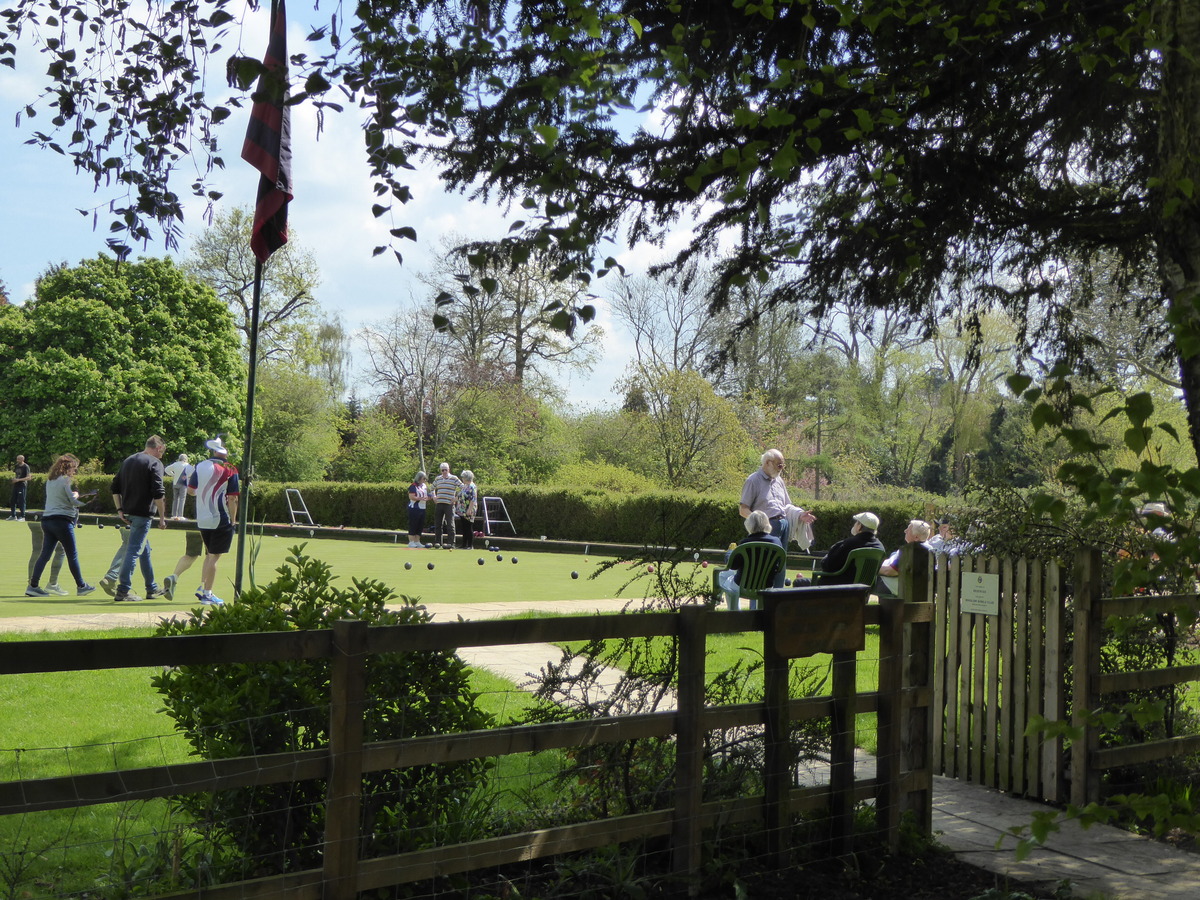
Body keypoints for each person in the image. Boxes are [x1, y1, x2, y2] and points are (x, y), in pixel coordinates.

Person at [25, 454, 96, 596]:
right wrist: (81, 499)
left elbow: (61, 498)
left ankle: (33, 586)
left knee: (45, 555)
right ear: (67, 468)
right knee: (72, 555)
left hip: (47, 521)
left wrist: (73, 496)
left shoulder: (50, 480)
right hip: (62, 522)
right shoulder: (66, 480)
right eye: (73, 469)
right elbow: (73, 502)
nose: (74, 472)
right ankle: (81, 586)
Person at [110, 435, 169, 602]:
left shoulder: (128, 460)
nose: (161, 456)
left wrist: (120, 509)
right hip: (143, 514)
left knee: (144, 550)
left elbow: (114, 487)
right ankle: (123, 590)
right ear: (158, 448)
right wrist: (162, 518)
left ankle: (151, 588)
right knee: (134, 550)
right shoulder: (155, 463)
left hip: (128, 512)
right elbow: (158, 492)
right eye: (162, 452)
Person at [188, 437, 239, 605]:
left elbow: (190, 491)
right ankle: (208, 594)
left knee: (209, 554)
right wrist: (233, 520)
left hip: (202, 518)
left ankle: (202, 588)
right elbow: (232, 499)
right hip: (220, 518)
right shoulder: (229, 468)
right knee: (214, 557)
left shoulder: (200, 465)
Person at [739, 449, 815, 547]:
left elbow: (787, 506)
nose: (781, 469)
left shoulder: (779, 480)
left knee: (781, 557)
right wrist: (760, 523)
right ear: (767, 463)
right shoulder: (753, 480)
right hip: (765, 528)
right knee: (766, 559)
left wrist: (799, 514)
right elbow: (743, 510)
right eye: (779, 465)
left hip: (784, 525)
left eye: (783, 465)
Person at [797, 511, 885, 586]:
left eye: (856, 522)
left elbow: (828, 566)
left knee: (799, 582)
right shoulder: (880, 548)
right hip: (863, 591)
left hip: (837, 588)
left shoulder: (848, 544)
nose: (854, 525)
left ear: (859, 526)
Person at [718, 510, 787, 605]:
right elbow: (779, 567)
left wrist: (730, 552)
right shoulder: (777, 542)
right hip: (766, 587)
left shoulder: (745, 543)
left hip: (742, 586)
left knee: (723, 576)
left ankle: (735, 612)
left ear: (749, 525)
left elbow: (733, 566)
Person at [876, 519, 933, 596]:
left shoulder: (911, 551)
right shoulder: (930, 549)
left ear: (916, 537)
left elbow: (890, 571)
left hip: (899, 588)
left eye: (908, 530)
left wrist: (873, 569)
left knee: (866, 580)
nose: (905, 531)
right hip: (919, 589)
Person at [162, 530, 204, 602]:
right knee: (212, 556)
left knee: (190, 555)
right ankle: (205, 589)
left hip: (194, 525)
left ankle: (174, 577)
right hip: (212, 524)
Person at [28, 518, 67, 594]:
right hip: (49, 519)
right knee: (61, 550)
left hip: (32, 518)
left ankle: (31, 584)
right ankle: (52, 583)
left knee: (37, 550)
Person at [431, 462, 462, 549]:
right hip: (439, 503)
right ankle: (438, 542)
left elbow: (463, 488)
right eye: (442, 470)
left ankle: (451, 543)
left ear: (449, 469)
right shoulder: (438, 479)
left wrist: (456, 498)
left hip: (449, 504)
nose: (444, 472)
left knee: (450, 524)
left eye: (446, 470)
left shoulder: (454, 478)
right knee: (438, 524)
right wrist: (434, 496)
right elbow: (431, 488)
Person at [164, 453, 192, 520]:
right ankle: (180, 515)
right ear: (186, 459)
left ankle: (174, 515)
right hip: (183, 483)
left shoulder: (175, 464)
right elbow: (193, 471)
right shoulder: (187, 465)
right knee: (182, 499)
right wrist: (187, 476)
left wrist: (173, 474)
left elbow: (166, 469)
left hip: (175, 483)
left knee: (175, 499)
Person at [456, 470, 479, 549]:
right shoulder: (465, 486)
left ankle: (470, 545)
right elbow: (460, 496)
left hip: (469, 509)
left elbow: (473, 499)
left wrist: (469, 509)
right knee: (464, 527)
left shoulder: (472, 486)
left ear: (467, 478)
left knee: (469, 527)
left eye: (463, 477)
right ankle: (464, 544)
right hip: (462, 509)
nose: (462, 479)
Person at [406, 471, 430, 548]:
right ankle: (411, 541)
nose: (425, 480)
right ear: (419, 478)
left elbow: (429, 495)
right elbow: (411, 497)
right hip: (414, 508)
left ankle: (417, 541)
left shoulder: (424, 486)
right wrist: (420, 498)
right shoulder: (413, 486)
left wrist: (428, 498)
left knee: (420, 525)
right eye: (424, 479)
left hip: (422, 508)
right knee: (413, 524)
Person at [8, 454, 31, 521]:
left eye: (18, 459)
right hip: (16, 485)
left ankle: (22, 516)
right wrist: (14, 479)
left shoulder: (26, 467)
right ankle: (13, 515)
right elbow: (17, 475)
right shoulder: (16, 466)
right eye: (17, 459)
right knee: (13, 500)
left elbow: (29, 477)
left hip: (22, 485)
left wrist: (18, 480)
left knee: (21, 501)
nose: (17, 460)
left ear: (22, 459)